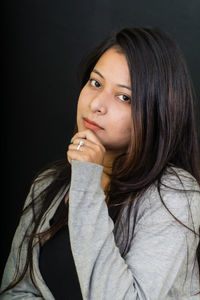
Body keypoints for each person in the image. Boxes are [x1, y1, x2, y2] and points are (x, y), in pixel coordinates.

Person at [0, 27, 200, 300]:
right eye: (95, 83)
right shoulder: (48, 183)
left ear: (156, 112)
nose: (96, 104)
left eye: (124, 97)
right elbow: (16, 290)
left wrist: (86, 181)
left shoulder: (176, 196)